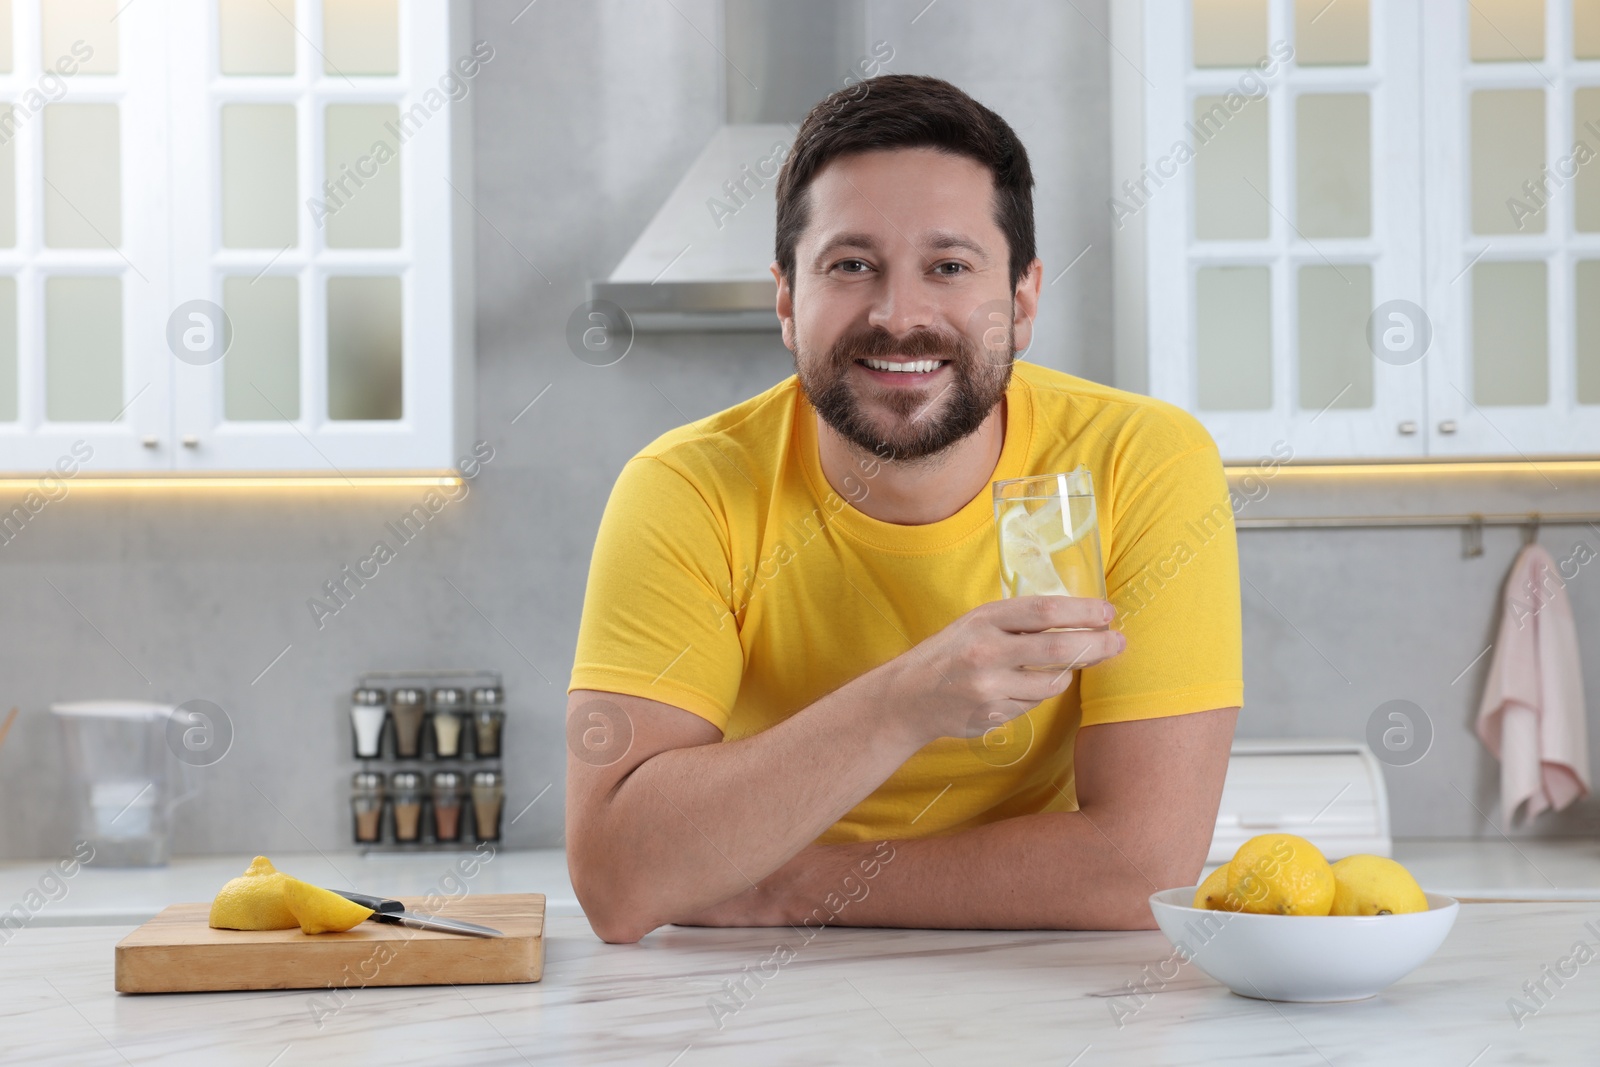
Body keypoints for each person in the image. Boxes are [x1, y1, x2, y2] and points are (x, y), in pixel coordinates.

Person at [566, 74, 1242, 944]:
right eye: (851, 266)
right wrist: (907, 702)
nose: (898, 316)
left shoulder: (1140, 463)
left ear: (1024, 299)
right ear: (784, 298)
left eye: (949, 267)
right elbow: (621, 881)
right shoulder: (686, 489)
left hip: (1035, 985)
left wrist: (781, 888)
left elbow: (1138, 867)